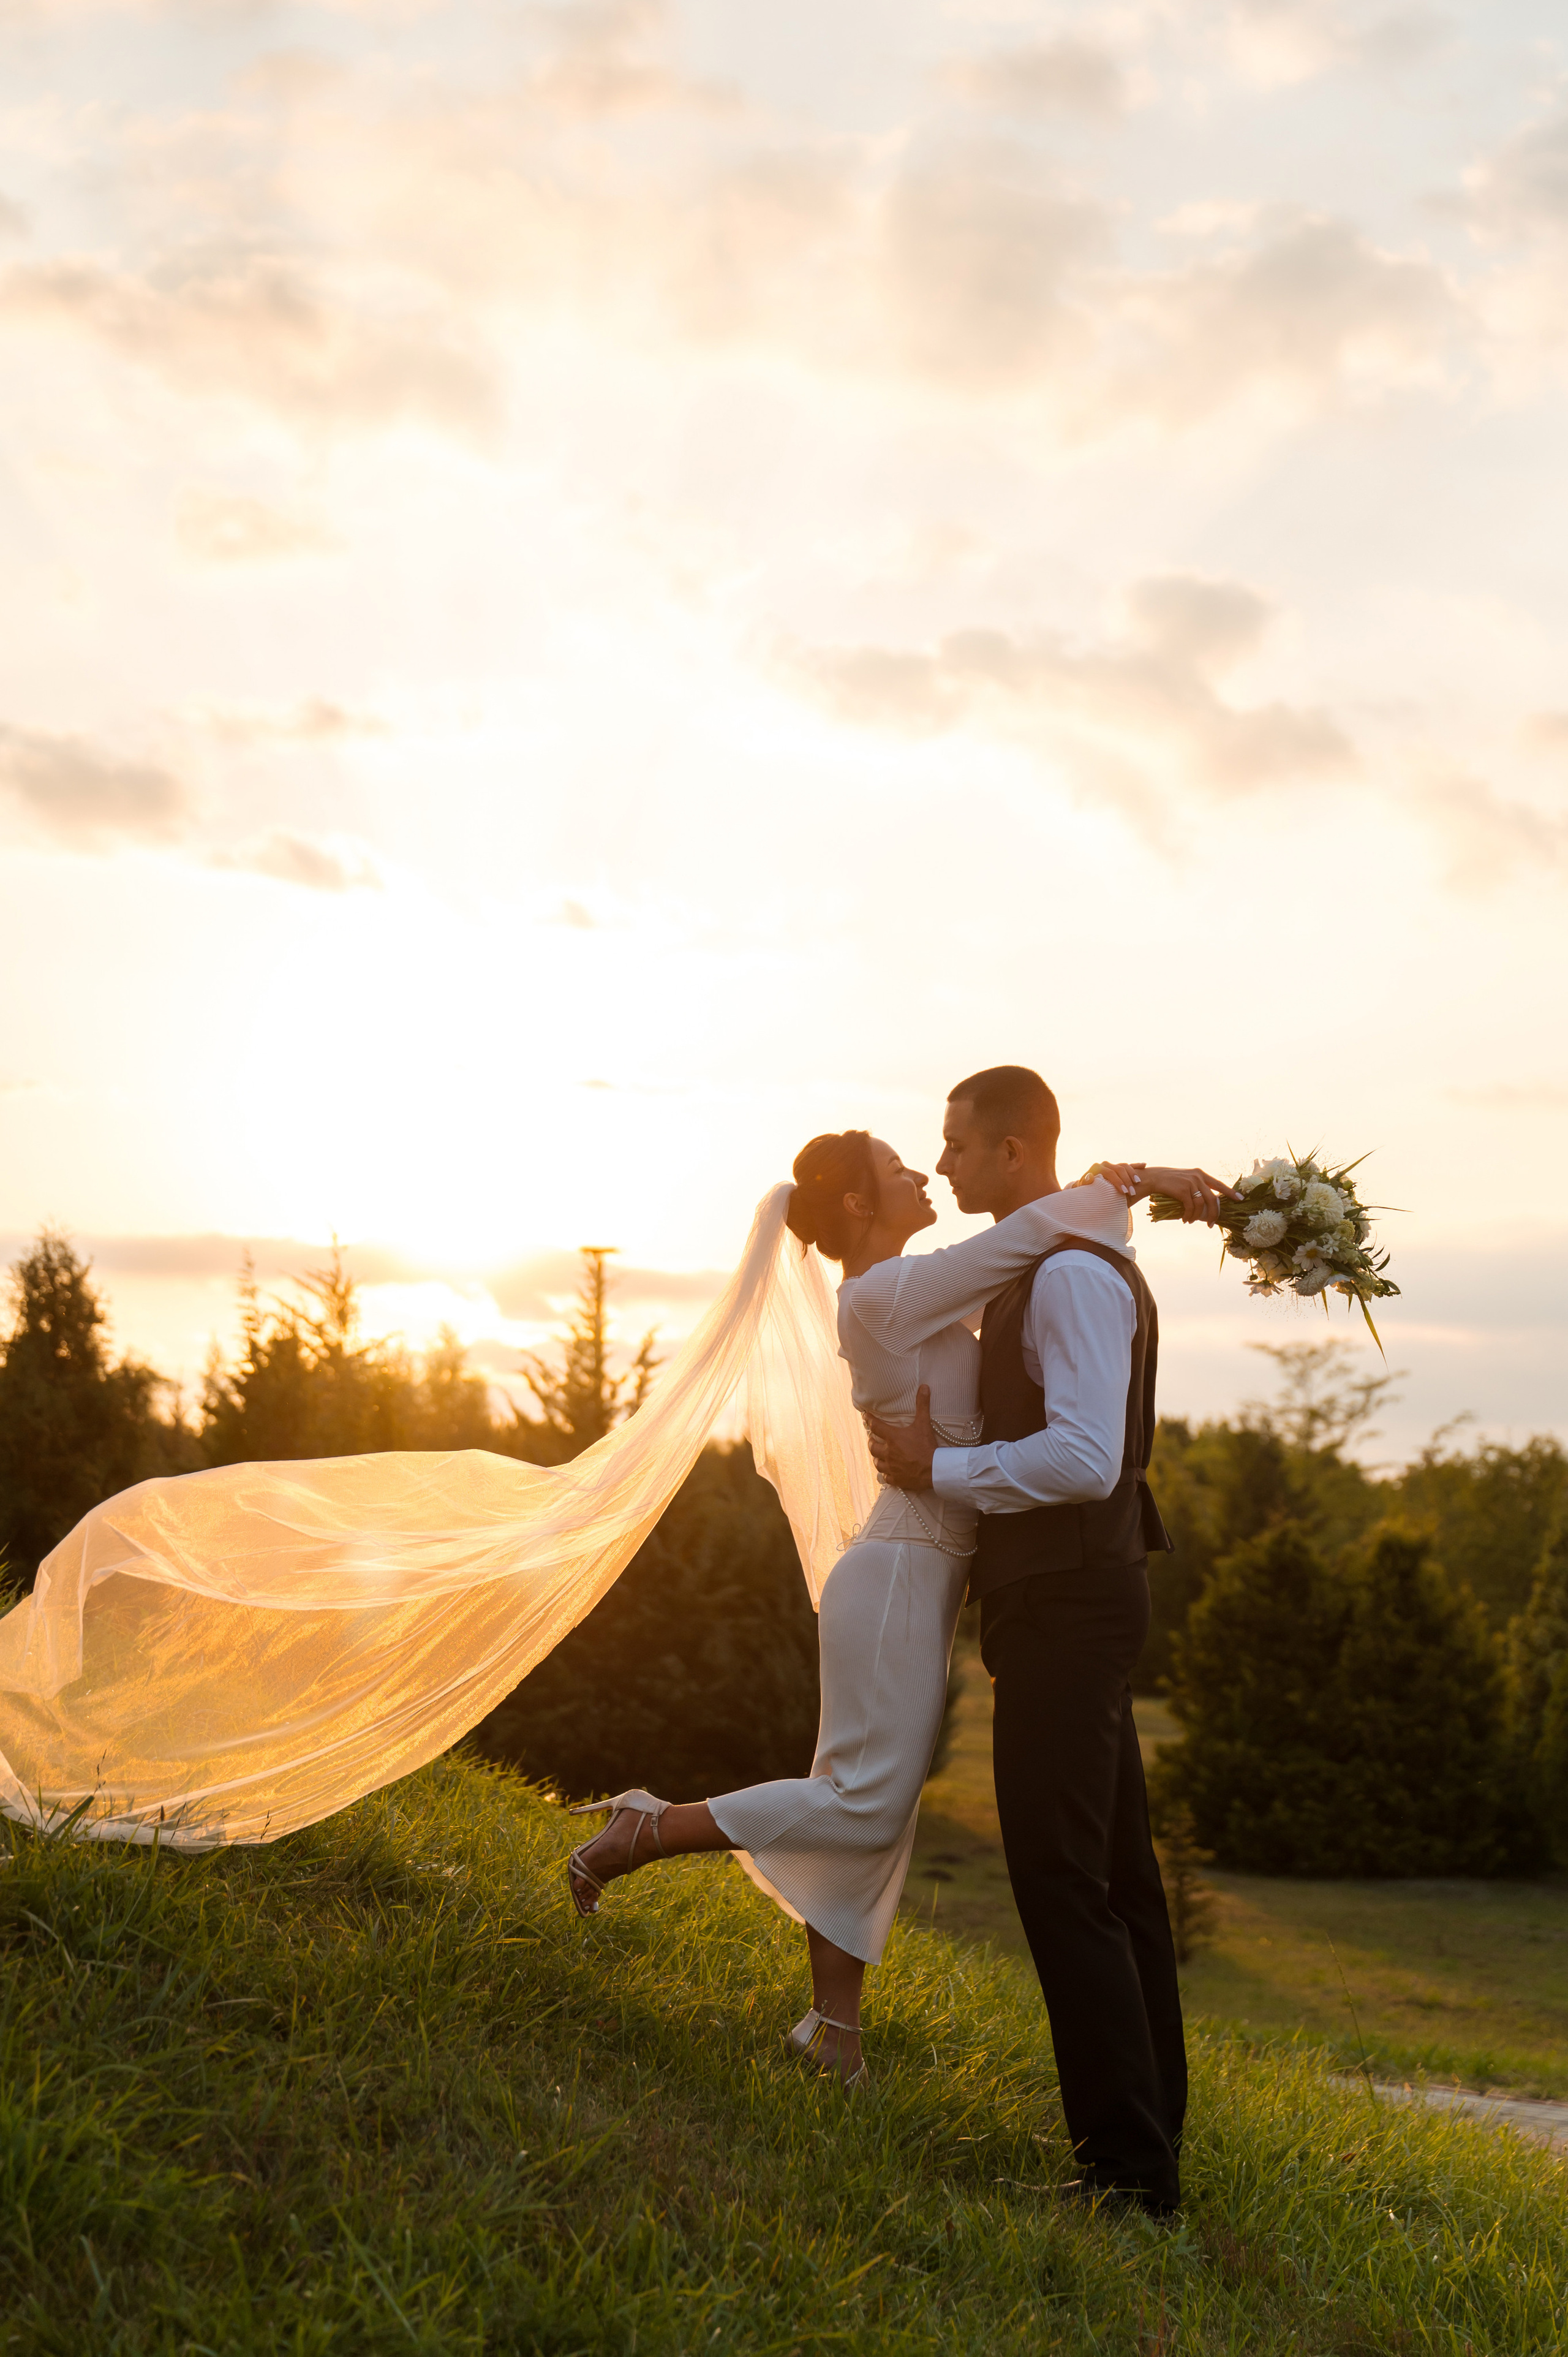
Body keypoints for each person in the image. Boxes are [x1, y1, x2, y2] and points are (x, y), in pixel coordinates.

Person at [565, 1117, 1225, 2096]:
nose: (924, 1170)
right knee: (865, 1802)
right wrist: (1138, 1182)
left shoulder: (911, 1295)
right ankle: (649, 1827)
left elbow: (1024, 1249)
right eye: (897, 1167)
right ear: (857, 1205)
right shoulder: (879, 1296)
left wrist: (1105, 1185)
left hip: (921, 1571)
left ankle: (835, 2033)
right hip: (904, 1568)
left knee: (870, 1803)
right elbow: (1017, 1241)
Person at [867, 1065, 1229, 2212]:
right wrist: (1134, 1177)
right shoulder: (1058, 1252)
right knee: (1117, 1879)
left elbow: (1083, 1458)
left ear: (1017, 1154)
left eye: (961, 1146)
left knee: (1061, 1879)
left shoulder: (1070, 1278)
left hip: (1071, 1597)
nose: (948, 1165)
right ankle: (1149, 2144)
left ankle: (1125, 2175)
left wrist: (944, 1471)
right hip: (1078, 1592)